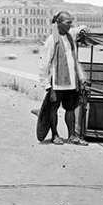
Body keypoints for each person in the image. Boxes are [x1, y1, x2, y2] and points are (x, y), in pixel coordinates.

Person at [38, 11, 89, 146]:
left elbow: (79, 30)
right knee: (53, 108)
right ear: (59, 24)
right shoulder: (52, 39)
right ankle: (55, 135)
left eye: (71, 23)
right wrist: (46, 84)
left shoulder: (71, 36)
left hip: (71, 82)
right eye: (67, 23)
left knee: (70, 109)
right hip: (57, 83)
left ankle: (72, 136)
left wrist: (83, 29)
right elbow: (45, 63)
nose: (70, 26)